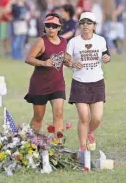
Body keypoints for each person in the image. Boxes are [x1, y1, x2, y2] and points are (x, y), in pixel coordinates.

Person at [66, 12, 111, 151]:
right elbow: (65, 60)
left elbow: (106, 55)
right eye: (83, 23)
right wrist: (72, 62)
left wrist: (106, 58)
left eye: (89, 23)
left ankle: (90, 133)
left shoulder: (101, 40)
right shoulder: (73, 42)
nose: (85, 25)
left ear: (94, 26)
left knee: (97, 118)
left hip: (97, 82)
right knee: (84, 117)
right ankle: (82, 147)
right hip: (79, 82)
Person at [24, 13, 73, 133]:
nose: (51, 28)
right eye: (48, 25)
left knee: (59, 114)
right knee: (38, 117)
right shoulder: (40, 41)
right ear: (44, 26)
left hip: (57, 84)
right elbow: (29, 59)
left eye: (54, 26)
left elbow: (61, 59)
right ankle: (31, 144)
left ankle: (58, 145)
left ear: (59, 28)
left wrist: (68, 62)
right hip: (40, 85)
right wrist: (44, 63)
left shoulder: (63, 42)